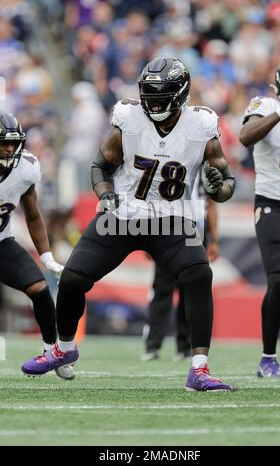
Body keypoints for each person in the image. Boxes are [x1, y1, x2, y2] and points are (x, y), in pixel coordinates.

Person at [22, 57, 235, 392]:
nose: (152, 102)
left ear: (179, 94)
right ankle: (65, 347)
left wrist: (217, 187)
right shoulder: (129, 118)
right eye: (148, 94)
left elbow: (225, 183)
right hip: (122, 216)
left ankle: (199, 369)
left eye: (160, 94)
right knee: (74, 278)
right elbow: (100, 165)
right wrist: (105, 193)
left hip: (171, 220)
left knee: (198, 273)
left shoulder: (201, 125)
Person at [0, 111, 74, 380]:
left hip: (2, 242)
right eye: (3, 142)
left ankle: (52, 351)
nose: (9, 148)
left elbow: (32, 214)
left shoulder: (25, 168)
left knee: (40, 290)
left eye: (13, 143)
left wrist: (46, 256)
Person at [239, 55, 280, 378]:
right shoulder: (263, 105)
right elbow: (246, 137)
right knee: (278, 280)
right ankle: (268, 358)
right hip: (272, 204)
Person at [142, 190, 219, 362]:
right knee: (162, 288)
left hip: (196, 234)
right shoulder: (176, 165)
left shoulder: (205, 170)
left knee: (191, 290)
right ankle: (153, 344)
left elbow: (212, 205)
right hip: (169, 230)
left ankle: (184, 346)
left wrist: (214, 239)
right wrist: (148, 239)